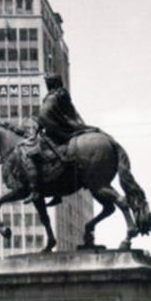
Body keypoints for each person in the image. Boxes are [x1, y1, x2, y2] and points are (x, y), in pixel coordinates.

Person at [18, 74, 93, 204]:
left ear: (54, 83)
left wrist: (40, 124)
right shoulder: (59, 94)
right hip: (59, 127)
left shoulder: (55, 95)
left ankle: (35, 191)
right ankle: (56, 192)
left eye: (49, 83)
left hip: (58, 130)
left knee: (31, 153)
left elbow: (46, 113)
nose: (47, 86)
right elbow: (49, 113)